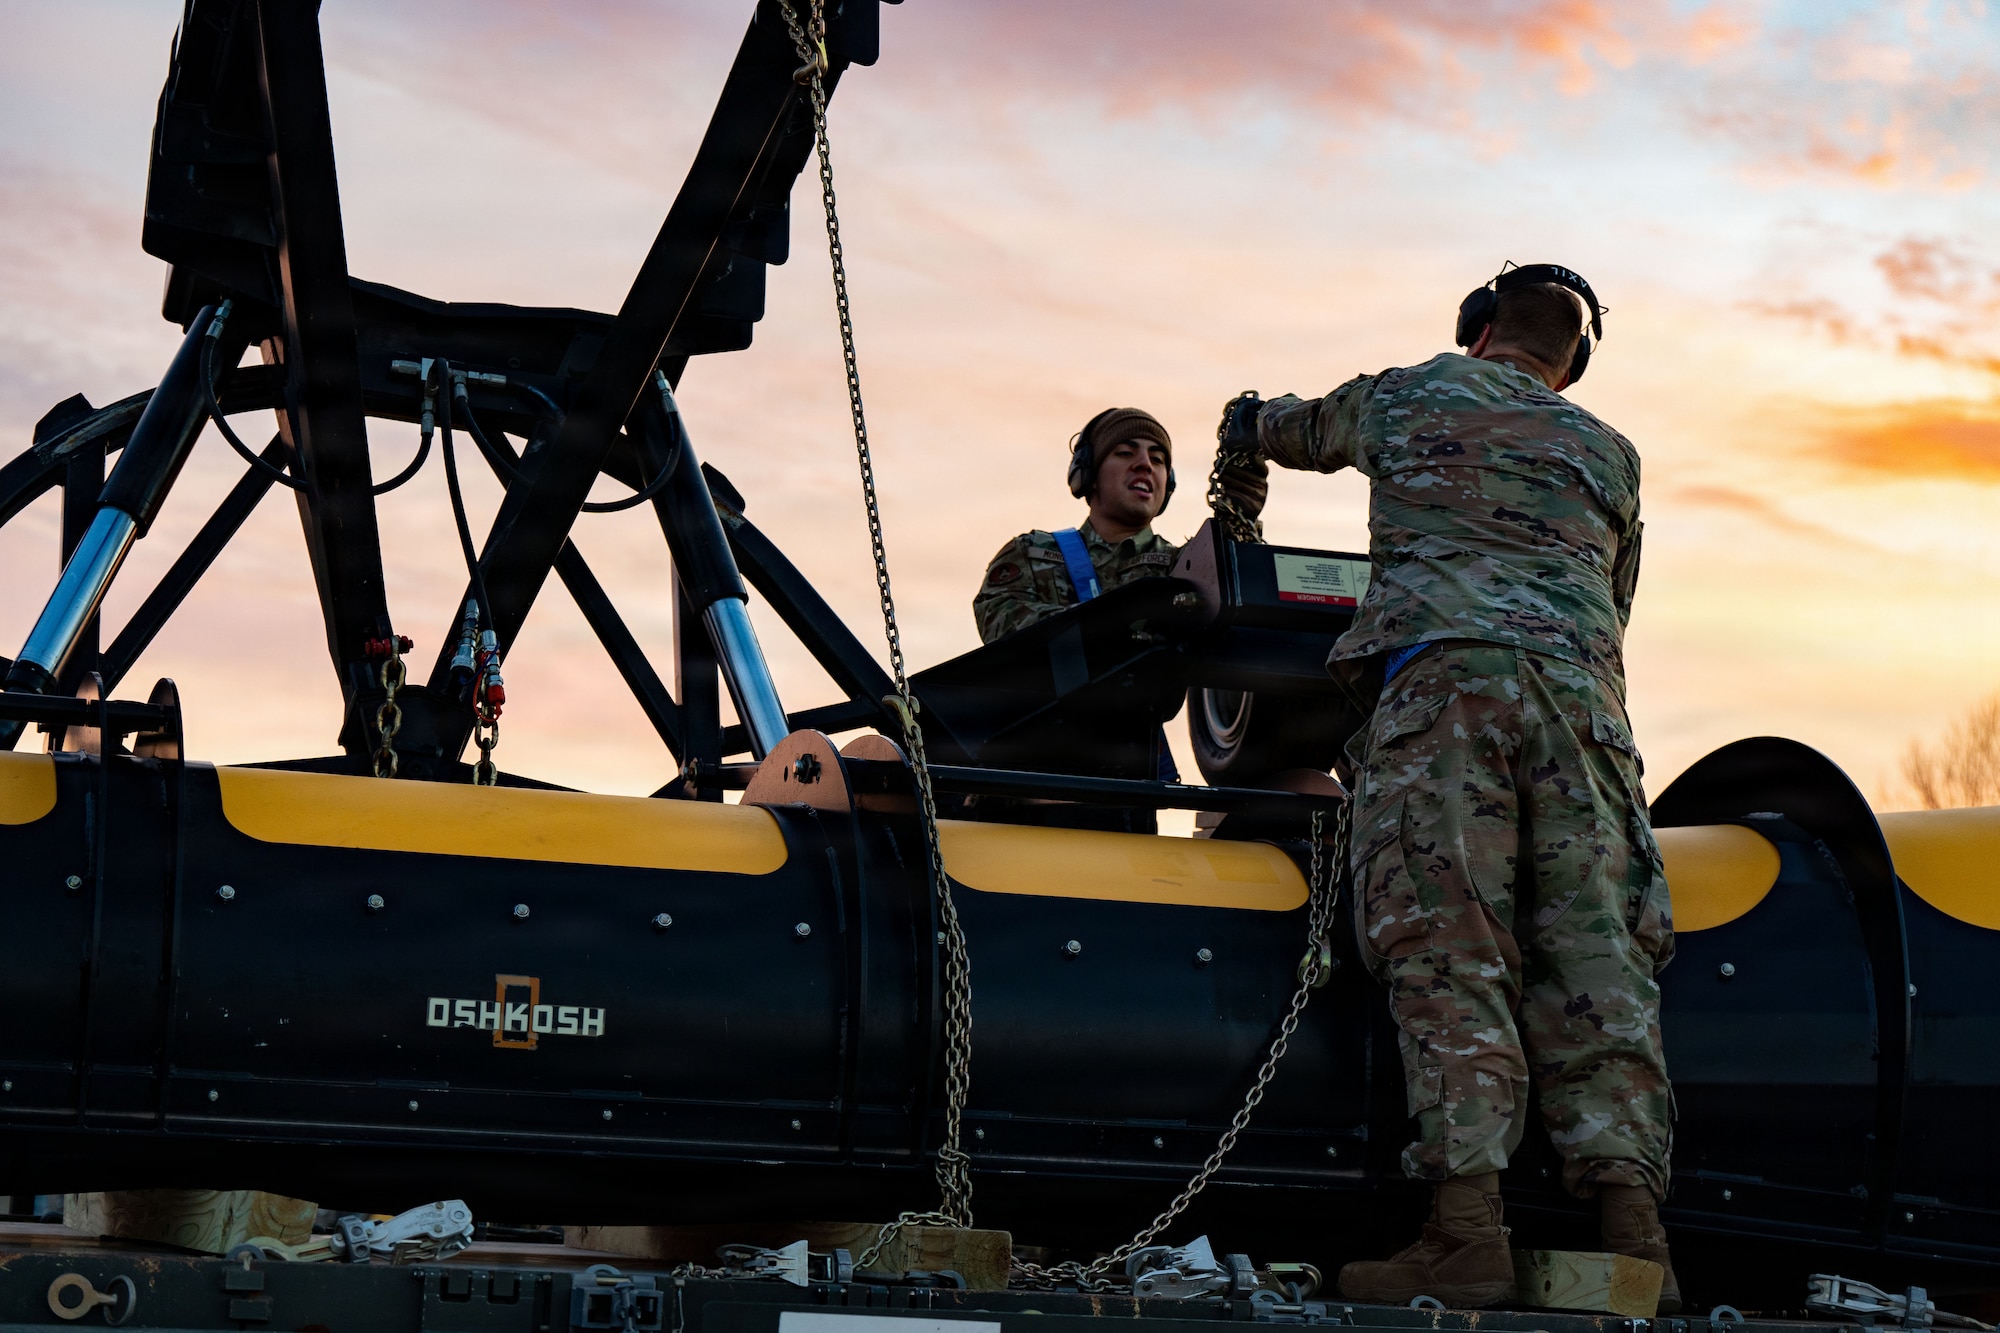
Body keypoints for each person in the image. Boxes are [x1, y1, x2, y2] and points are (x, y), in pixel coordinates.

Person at [1213, 265, 1678, 1311]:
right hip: (1583, 714)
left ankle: (1463, 1233)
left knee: (1445, 943)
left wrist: (1240, 431)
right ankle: (1631, 1238)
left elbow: (1281, 427)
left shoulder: (1411, 393)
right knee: (1598, 952)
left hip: (1443, 694)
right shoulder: (1609, 451)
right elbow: (1615, 601)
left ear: (1476, 329)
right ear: (1575, 359)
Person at [973, 407, 1181, 644]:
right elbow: (998, 621)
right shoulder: (1031, 553)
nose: (1145, 465)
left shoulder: (1183, 566)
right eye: (1125, 453)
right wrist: (1103, 624)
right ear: (1089, 473)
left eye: (1157, 460)